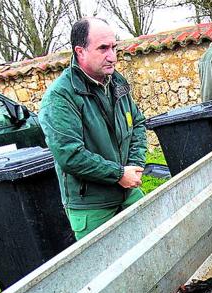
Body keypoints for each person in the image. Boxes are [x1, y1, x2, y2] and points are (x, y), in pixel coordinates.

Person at [39, 17, 147, 241]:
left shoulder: (117, 83)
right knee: (108, 271)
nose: (112, 56)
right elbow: (69, 154)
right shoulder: (60, 96)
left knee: (156, 251)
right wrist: (118, 174)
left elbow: (137, 123)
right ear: (81, 51)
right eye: (103, 48)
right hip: (92, 206)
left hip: (128, 192)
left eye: (114, 47)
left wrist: (134, 165)